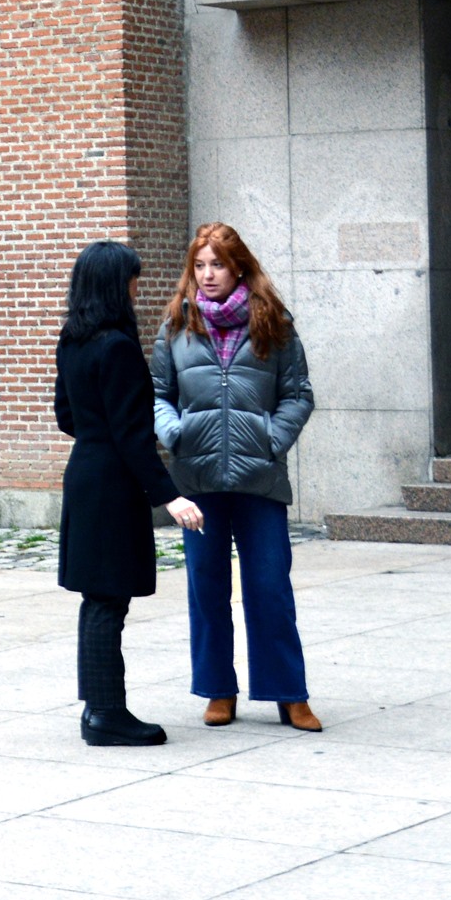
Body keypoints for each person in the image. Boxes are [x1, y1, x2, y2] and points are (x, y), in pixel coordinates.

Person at [150, 222, 319, 731]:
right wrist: (174, 432)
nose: (207, 275)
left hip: (259, 478)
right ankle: (218, 690)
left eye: (217, 264)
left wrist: (271, 439)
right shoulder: (177, 325)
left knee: (269, 585)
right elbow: (157, 392)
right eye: (199, 265)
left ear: (238, 265)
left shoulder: (274, 321)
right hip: (197, 478)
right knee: (206, 587)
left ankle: (289, 693)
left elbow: (299, 394)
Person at [55, 241, 206, 746]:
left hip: (86, 472)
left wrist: (99, 439)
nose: (138, 288)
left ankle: (98, 708)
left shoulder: (74, 340)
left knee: (97, 598)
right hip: (111, 484)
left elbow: (66, 417)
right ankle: (105, 715)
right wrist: (171, 496)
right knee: (107, 602)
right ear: (116, 285)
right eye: (132, 279)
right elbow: (132, 434)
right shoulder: (116, 346)